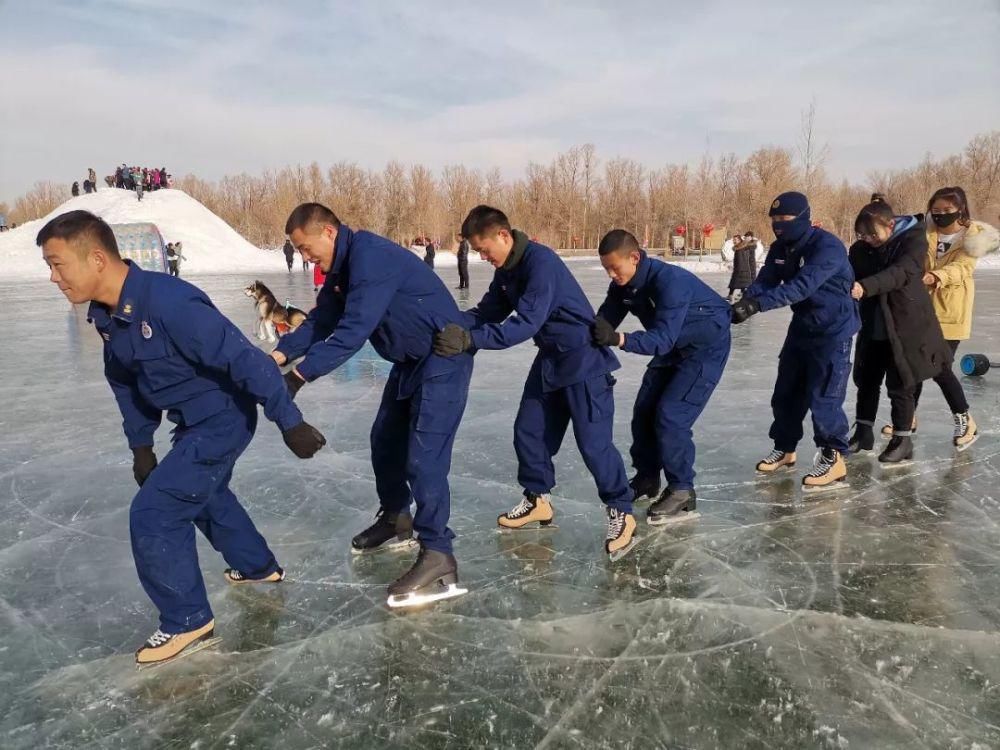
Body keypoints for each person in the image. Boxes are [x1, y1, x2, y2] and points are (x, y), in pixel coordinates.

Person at [36, 210, 326, 666]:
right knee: (204, 496)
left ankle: (187, 619)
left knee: (155, 512)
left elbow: (245, 361)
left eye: (57, 264)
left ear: (95, 258)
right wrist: (142, 446)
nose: (53, 277)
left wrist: (289, 421)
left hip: (223, 418)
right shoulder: (108, 315)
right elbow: (126, 382)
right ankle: (258, 568)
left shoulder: (170, 303)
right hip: (191, 421)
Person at [273, 203, 474, 608]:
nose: (305, 256)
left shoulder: (370, 257)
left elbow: (352, 332)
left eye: (306, 247)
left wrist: (299, 376)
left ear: (328, 231)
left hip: (442, 360)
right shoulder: (341, 268)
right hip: (409, 360)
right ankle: (397, 517)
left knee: (424, 459)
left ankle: (438, 552)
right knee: (384, 440)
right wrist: (279, 355)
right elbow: (321, 322)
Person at [433, 205, 637, 560]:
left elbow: (525, 323)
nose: (483, 257)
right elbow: (487, 312)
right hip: (551, 360)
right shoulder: (507, 269)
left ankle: (621, 510)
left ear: (503, 236)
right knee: (529, 431)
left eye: (484, 249)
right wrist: (450, 323)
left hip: (584, 360)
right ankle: (537, 500)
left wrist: (471, 341)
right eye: (478, 252)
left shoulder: (540, 264)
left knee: (593, 444)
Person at [593, 229, 731, 524]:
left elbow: (661, 340)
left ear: (634, 257)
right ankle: (647, 477)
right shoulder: (624, 284)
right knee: (644, 410)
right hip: (673, 345)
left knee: (671, 416)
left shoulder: (670, 282)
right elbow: (604, 319)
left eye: (614, 268)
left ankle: (682, 489)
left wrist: (618, 339)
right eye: (606, 268)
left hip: (703, 348)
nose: (611, 275)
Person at [731, 191, 859, 491]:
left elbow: (802, 287)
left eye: (785, 219)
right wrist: (746, 300)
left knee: (824, 395)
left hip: (833, 329)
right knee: (786, 391)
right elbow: (766, 280)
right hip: (802, 327)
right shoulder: (780, 247)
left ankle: (834, 456)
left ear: (802, 218)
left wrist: (758, 306)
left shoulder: (827, 247)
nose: (779, 224)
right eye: (774, 219)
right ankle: (785, 448)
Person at [882, 186, 999, 446]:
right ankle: (907, 417)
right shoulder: (924, 232)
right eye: (936, 211)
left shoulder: (973, 238)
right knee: (913, 364)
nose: (941, 215)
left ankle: (965, 419)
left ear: (961, 209)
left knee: (939, 367)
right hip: (919, 308)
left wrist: (937, 276)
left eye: (948, 210)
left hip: (950, 310)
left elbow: (962, 269)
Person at [847, 201, 953, 463]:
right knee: (867, 379)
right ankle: (863, 431)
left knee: (901, 384)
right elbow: (847, 275)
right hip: (874, 324)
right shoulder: (860, 250)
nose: (869, 240)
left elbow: (901, 273)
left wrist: (865, 286)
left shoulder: (913, 242)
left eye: (873, 234)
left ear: (890, 225)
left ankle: (902, 439)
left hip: (906, 324)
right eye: (863, 235)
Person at [727, 234, 757, 303]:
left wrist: (739, 268)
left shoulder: (741, 248)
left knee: (736, 283)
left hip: (741, 268)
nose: (734, 241)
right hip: (742, 268)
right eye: (733, 240)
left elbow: (741, 259)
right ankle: (739, 295)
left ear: (739, 240)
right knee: (741, 283)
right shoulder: (740, 247)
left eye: (735, 240)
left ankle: (732, 295)